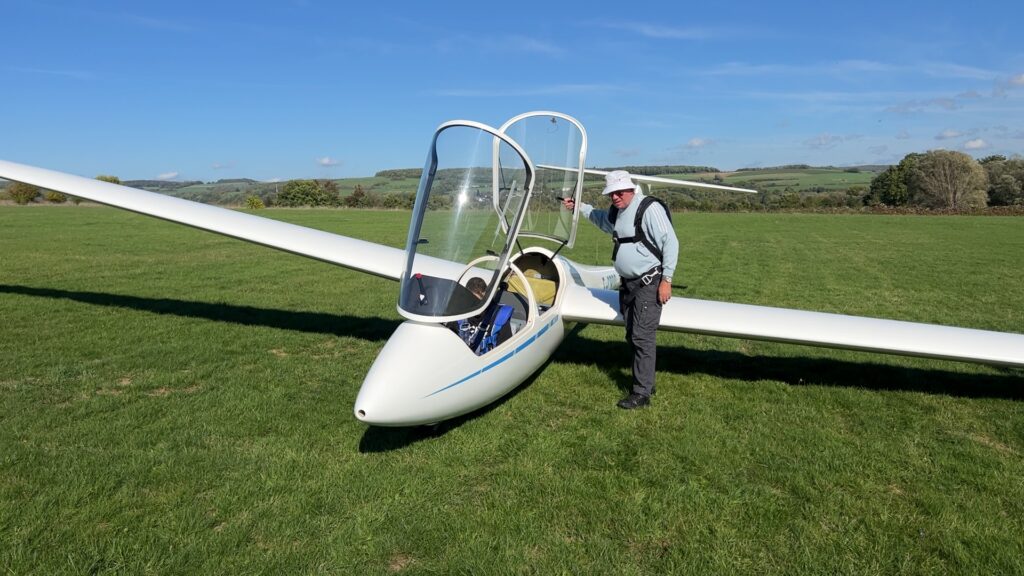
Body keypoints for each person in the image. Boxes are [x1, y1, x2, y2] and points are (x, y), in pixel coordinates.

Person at [562, 170, 678, 409]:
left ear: (630, 188)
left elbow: (671, 242)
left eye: (619, 192)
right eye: (611, 193)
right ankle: (646, 380)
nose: (615, 197)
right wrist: (578, 207)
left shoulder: (648, 208)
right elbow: (601, 219)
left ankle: (641, 393)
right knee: (631, 333)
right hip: (628, 284)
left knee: (641, 335)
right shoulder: (618, 211)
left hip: (649, 282)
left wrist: (666, 280)